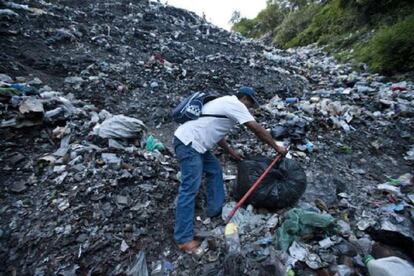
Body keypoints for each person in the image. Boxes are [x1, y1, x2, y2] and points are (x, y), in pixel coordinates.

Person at [172, 86, 287, 253]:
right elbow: (256, 128)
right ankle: (183, 239)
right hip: (190, 144)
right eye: (250, 105)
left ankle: (214, 209)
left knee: (215, 170)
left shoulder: (224, 104)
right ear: (245, 99)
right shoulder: (235, 104)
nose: (249, 109)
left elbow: (217, 134)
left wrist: (231, 152)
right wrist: (277, 147)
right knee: (189, 189)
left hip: (195, 144)